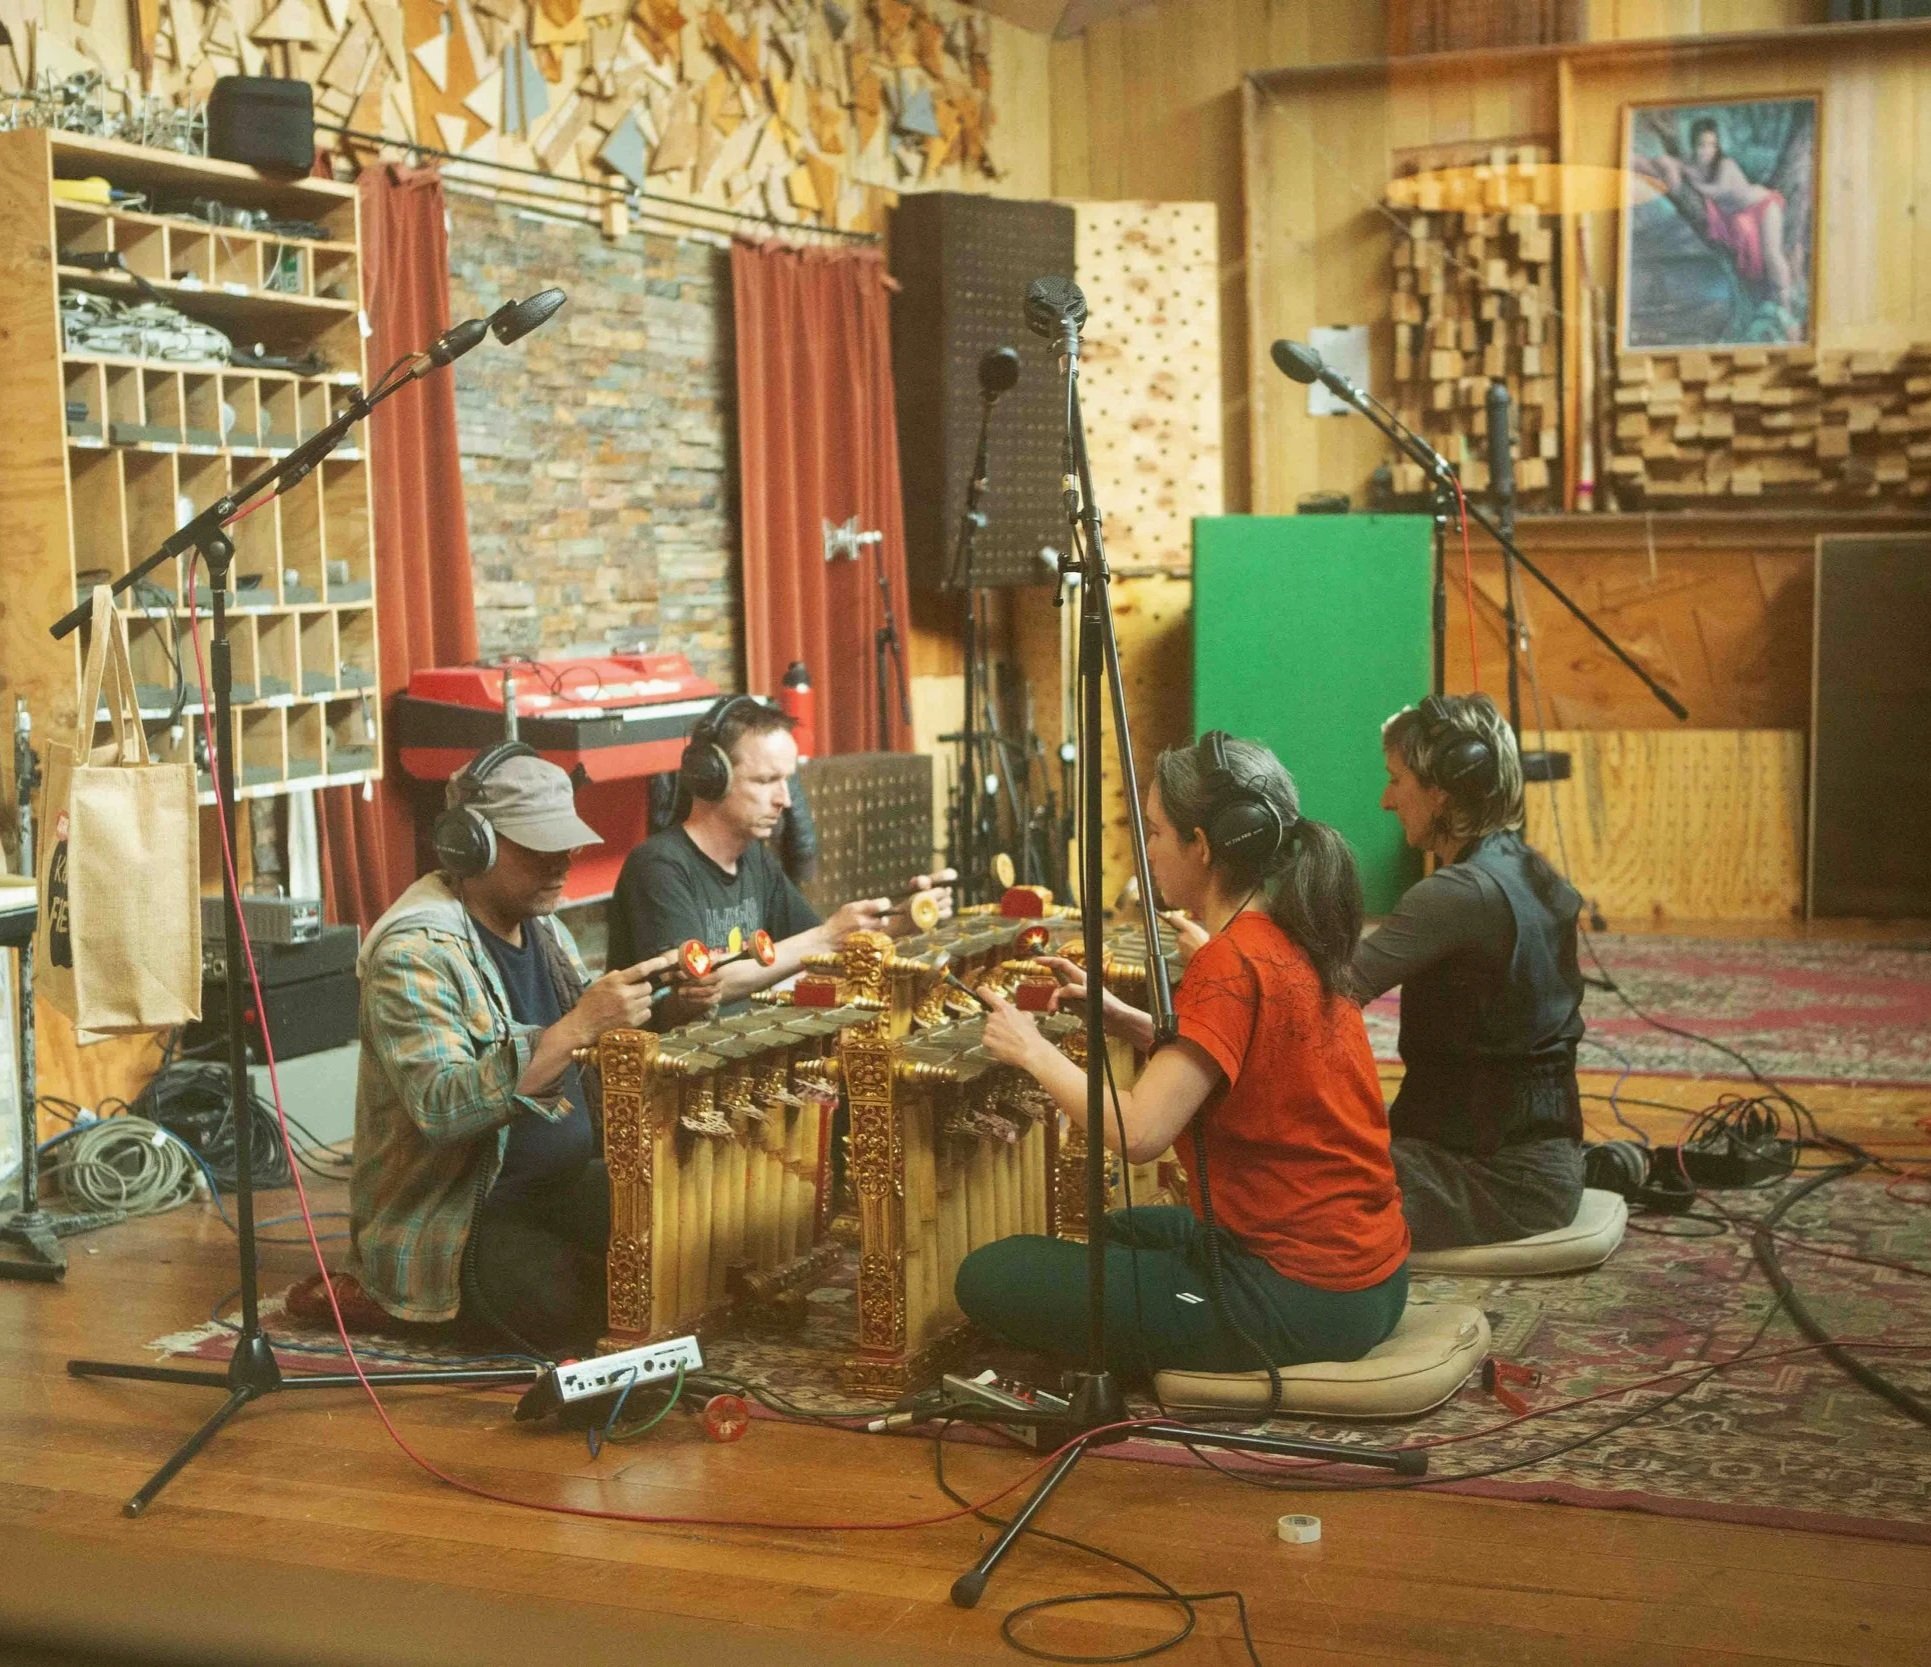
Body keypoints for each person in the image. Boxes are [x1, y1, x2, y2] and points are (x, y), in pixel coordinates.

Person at [956, 732, 1410, 1379]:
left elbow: (1139, 1132)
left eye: (1157, 832)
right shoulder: (1286, 930)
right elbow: (1242, 1063)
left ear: (1202, 845)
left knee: (992, 1273)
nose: (1148, 851)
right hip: (1370, 1277)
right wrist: (1124, 1019)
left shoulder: (1227, 959)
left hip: (1298, 1295)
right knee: (1118, 1230)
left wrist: (1029, 1049)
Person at [348, 744, 678, 1355]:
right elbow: (444, 1108)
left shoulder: (539, 922)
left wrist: (669, 1001)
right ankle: (375, 1294)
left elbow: (590, 1043)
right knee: (566, 1308)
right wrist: (582, 1024)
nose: (561, 865)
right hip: (457, 1214)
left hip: (554, 1182)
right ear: (469, 845)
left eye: (566, 848)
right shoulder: (412, 952)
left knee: (679, 1233)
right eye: (538, 850)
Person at [1354, 693, 1586, 1252]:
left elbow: (1326, 988)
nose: (1387, 800)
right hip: (1531, 1167)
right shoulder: (1528, 870)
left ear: (1442, 789)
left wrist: (1228, 949)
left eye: (1397, 779)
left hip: (1493, 1181)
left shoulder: (1458, 894)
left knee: (1276, 1183)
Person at [608, 695, 953, 1021]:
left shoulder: (754, 858)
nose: (784, 800)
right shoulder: (658, 867)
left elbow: (816, 955)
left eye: (786, 780)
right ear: (711, 778)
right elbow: (700, 989)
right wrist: (828, 935)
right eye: (766, 780)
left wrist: (900, 921)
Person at [1635, 115, 1796, 316]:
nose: (1707, 150)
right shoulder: (1694, 167)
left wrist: (1690, 178)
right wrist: (1661, 166)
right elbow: (1664, 164)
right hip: (1740, 215)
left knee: (1772, 255)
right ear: (1694, 145)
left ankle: (1786, 303)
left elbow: (1718, 191)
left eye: (1712, 145)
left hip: (1763, 205)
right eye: (1702, 144)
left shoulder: (1725, 165)